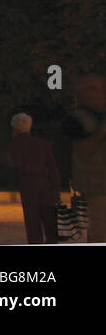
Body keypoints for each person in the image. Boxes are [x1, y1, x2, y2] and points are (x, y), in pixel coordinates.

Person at [64, 74, 106, 243]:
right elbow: (82, 151)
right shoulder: (79, 118)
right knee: (100, 230)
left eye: (102, 88)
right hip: (96, 184)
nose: (101, 92)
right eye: (94, 89)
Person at [8, 113, 60, 244]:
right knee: (49, 219)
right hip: (45, 183)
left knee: (32, 220)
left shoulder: (14, 145)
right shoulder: (42, 143)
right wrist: (56, 188)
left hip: (27, 184)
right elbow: (53, 167)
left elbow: (13, 165)